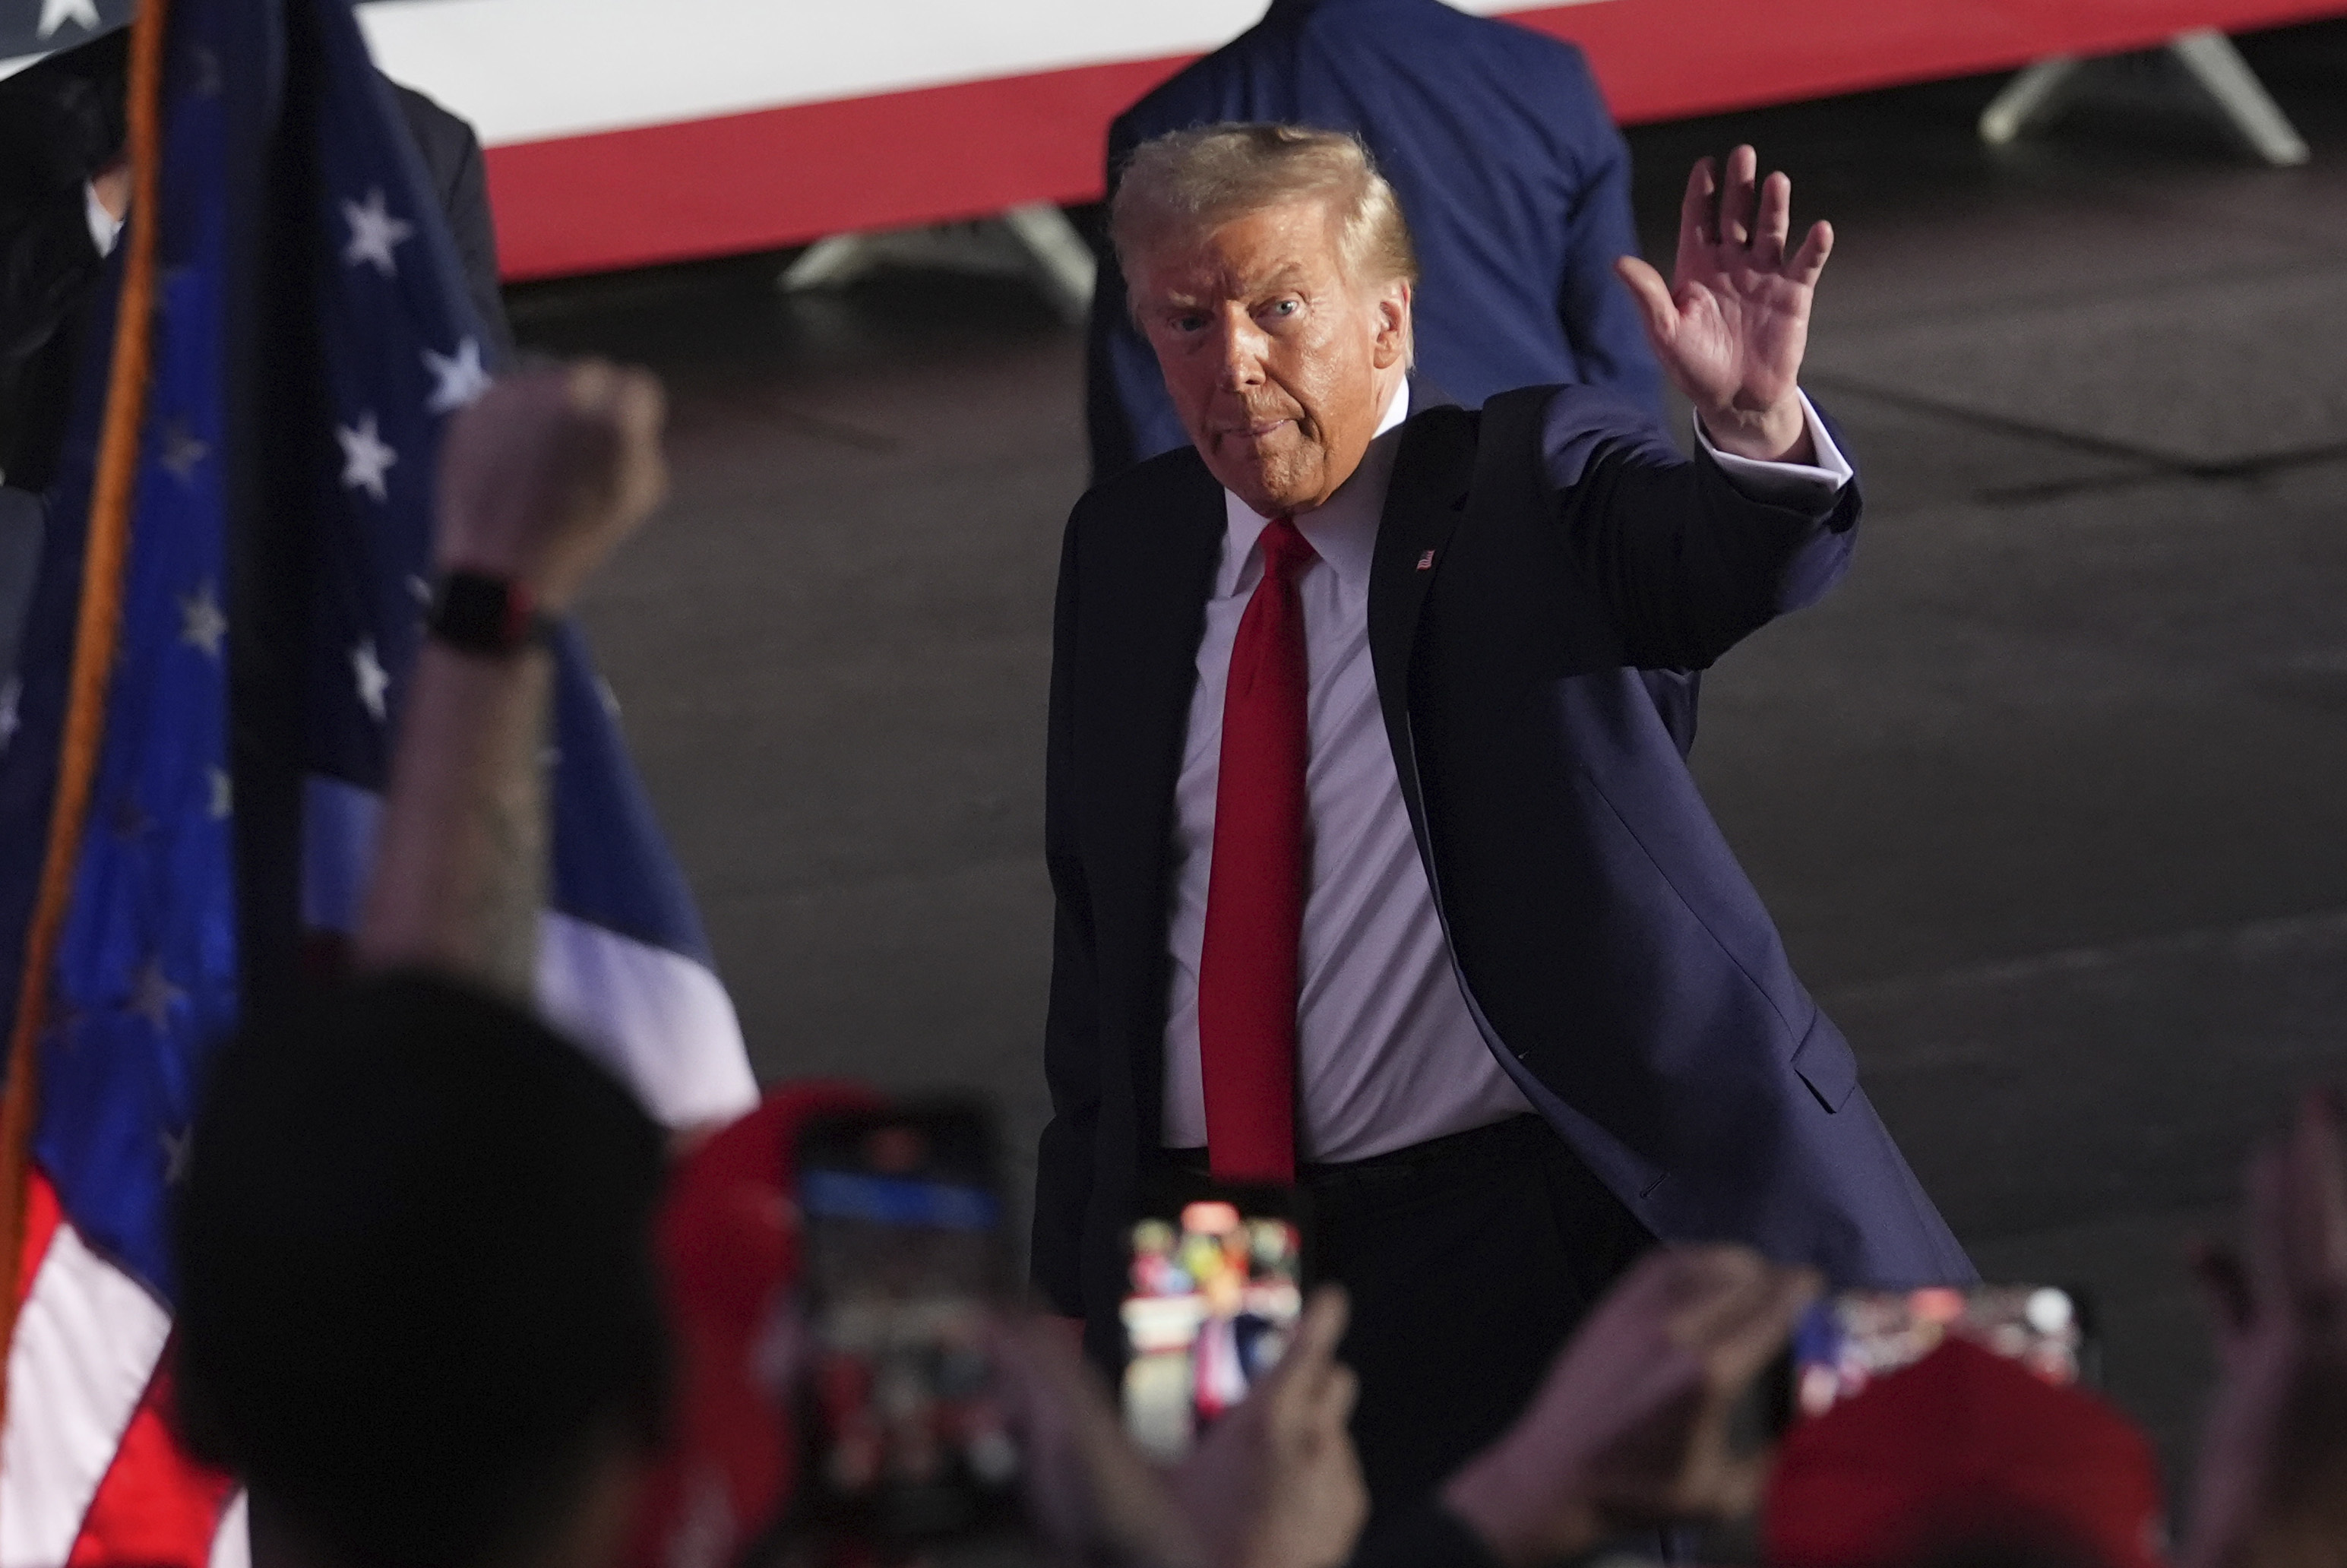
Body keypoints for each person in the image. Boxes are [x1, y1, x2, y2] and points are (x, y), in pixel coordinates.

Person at [1031, 122, 1972, 1513]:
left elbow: (1706, 562)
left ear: (1386, 316)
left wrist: (1750, 429)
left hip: (1497, 1225)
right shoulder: (1124, 543)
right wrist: (1070, 1288)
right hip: (1208, 1244)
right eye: (1185, 319)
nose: (1230, 359)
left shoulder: (1524, 480)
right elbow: (1104, 944)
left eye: (1277, 306)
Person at [1084, 0, 1665, 486]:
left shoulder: (1170, 131)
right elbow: (1615, 343)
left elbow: (1144, 401)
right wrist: (1630, 516)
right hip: (1532, 480)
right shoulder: (1546, 78)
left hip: (1300, 508)